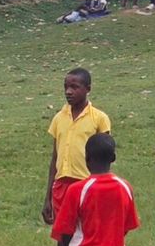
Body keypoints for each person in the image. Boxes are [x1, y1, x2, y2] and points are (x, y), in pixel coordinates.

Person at [44, 68, 111, 226]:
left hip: (88, 184)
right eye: (66, 87)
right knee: (64, 233)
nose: (68, 92)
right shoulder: (59, 118)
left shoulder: (99, 118)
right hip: (62, 186)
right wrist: (48, 197)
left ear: (88, 89)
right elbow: (55, 158)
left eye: (74, 87)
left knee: (88, 229)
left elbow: (105, 156)